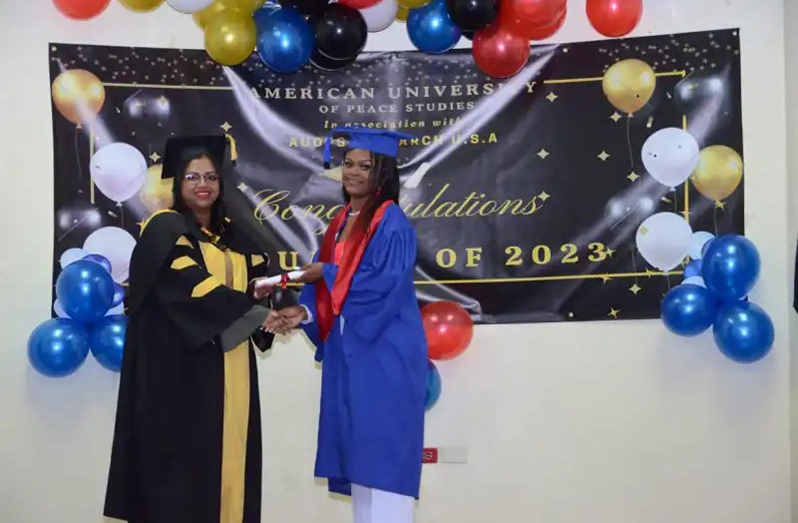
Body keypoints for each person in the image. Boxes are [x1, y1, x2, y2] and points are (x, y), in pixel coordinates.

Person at [104, 135, 281, 523]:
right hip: (180, 371)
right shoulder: (164, 229)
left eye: (212, 177)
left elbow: (259, 282)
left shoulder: (235, 235)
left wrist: (278, 309)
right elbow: (190, 286)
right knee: (184, 476)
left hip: (231, 366)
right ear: (177, 183)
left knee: (231, 461)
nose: (203, 185)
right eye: (192, 177)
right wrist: (255, 315)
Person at [274, 128, 428, 523]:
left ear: (384, 173)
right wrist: (305, 313)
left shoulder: (391, 222)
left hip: (384, 356)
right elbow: (329, 292)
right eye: (348, 164)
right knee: (361, 465)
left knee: (385, 466)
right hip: (352, 356)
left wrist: (324, 271)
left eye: (366, 166)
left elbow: (379, 286)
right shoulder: (343, 220)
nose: (353, 173)